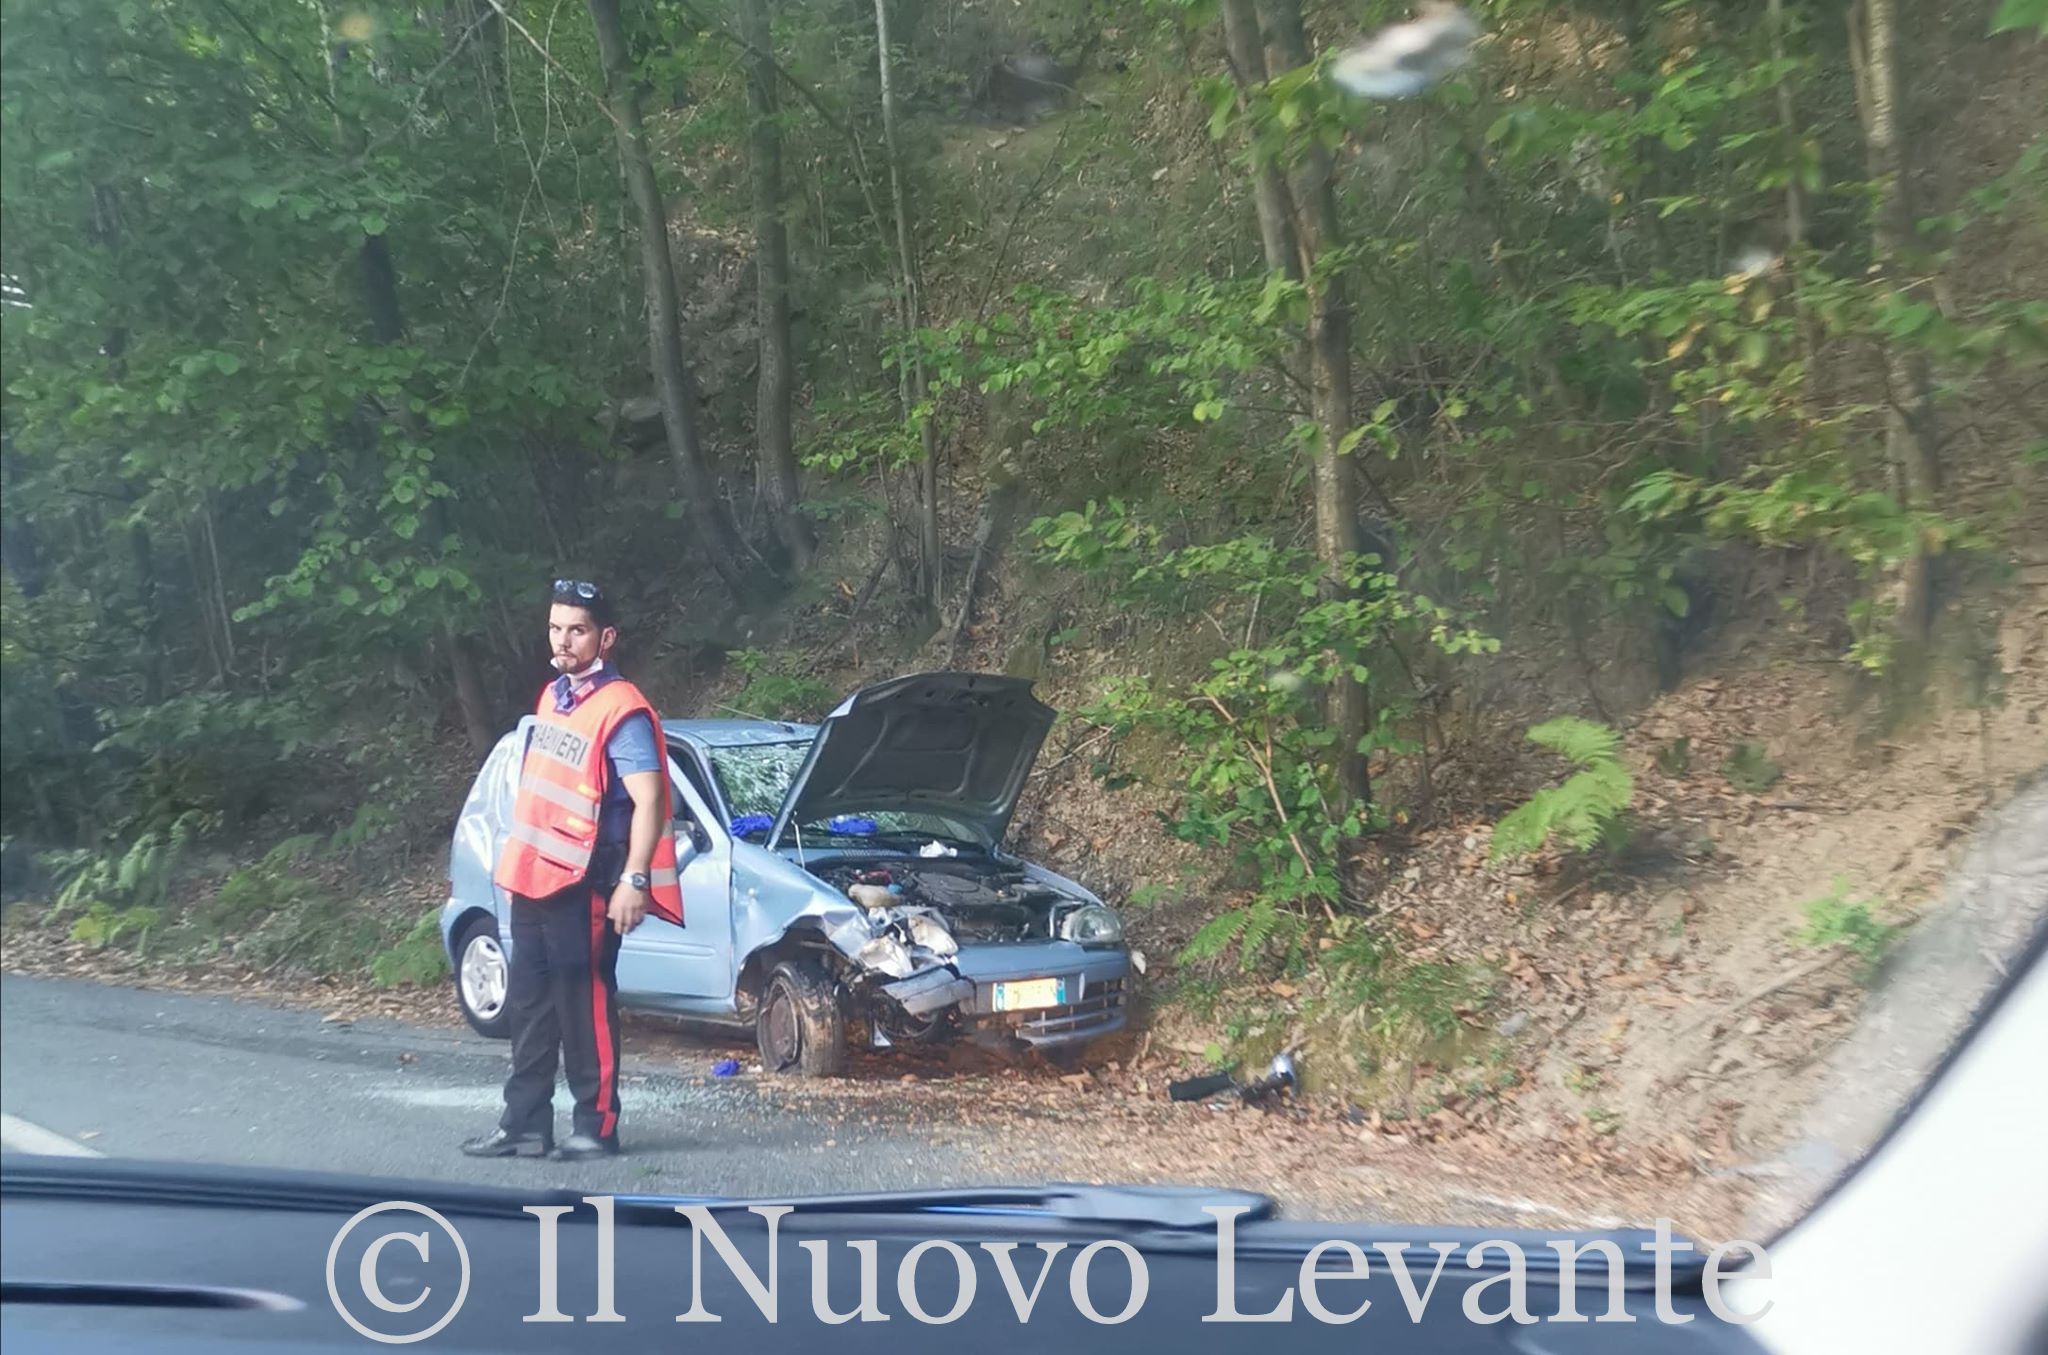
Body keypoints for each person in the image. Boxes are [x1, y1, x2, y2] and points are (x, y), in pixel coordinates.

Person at [461, 579, 684, 1162]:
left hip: (587, 882)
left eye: (577, 630)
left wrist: (634, 879)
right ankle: (526, 1125)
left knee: (582, 1004)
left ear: (605, 637)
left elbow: (651, 800)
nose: (563, 640)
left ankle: (596, 1126)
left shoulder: (621, 708)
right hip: (535, 876)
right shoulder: (553, 698)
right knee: (529, 1003)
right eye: (556, 628)